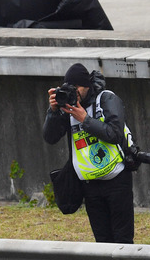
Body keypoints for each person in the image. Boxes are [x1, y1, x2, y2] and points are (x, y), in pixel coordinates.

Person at [43, 63, 134, 244]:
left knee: (122, 239)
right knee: (102, 241)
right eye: (70, 88)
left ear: (87, 85)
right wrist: (53, 112)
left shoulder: (106, 99)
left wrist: (85, 119)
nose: (74, 92)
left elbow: (115, 134)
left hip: (117, 180)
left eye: (77, 87)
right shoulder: (68, 107)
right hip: (90, 184)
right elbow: (50, 138)